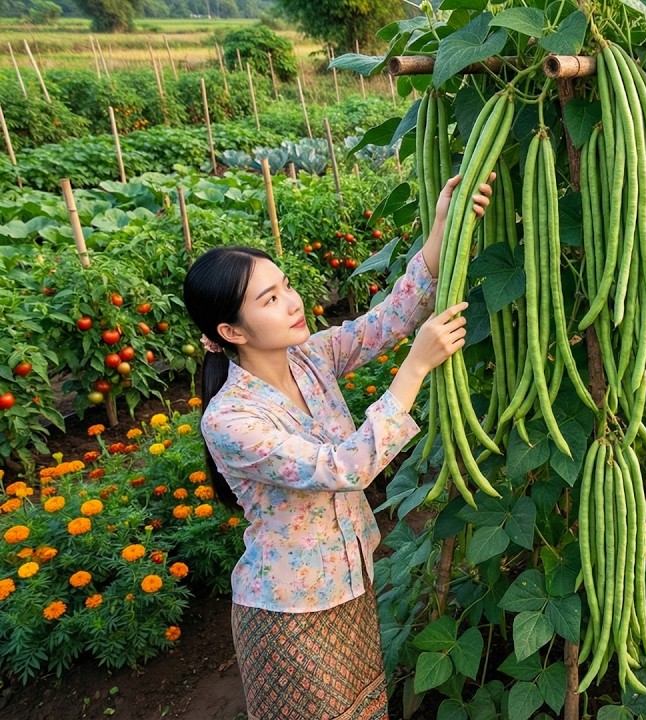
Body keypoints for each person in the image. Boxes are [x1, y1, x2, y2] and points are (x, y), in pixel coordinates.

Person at [183, 174, 492, 720]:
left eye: (286, 286)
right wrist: (416, 367)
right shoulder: (230, 419)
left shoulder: (311, 357)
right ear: (232, 332)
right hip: (290, 614)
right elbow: (344, 468)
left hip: (349, 585)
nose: (292, 302)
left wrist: (443, 227)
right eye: (270, 299)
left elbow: (389, 320)